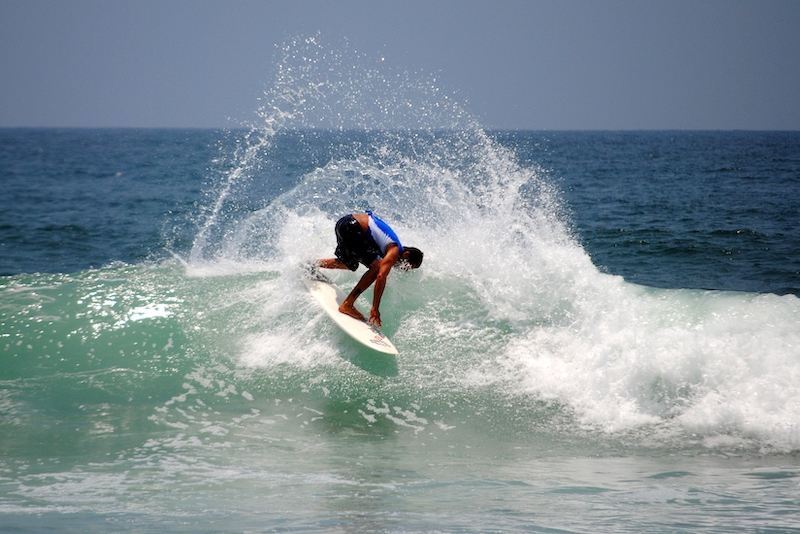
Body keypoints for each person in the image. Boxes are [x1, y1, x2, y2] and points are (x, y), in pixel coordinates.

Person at [316, 211, 423, 328]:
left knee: (349, 264)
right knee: (377, 268)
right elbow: (381, 276)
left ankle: (311, 264)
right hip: (353, 227)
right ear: (406, 254)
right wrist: (375, 308)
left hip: (344, 224)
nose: (405, 269)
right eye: (409, 265)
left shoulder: (389, 248)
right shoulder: (395, 250)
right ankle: (347, 304)